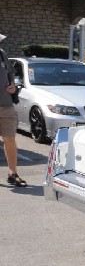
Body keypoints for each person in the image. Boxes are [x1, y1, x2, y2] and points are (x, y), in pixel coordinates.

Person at [0, 34, 27, 187]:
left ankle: (12, 173)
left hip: (6, 104)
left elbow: (11, 75)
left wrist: (13, 86)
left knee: (10, 139)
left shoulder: (2, 54)